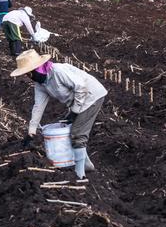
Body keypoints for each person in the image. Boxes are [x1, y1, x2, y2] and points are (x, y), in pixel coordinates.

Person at [11, 49, 107, 179]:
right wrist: (31, 131)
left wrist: (75, 111)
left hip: (91, 96)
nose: (28, 76)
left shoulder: (57, 71)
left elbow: (81, 87)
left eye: (28, 73)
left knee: (77, 133)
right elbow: (38, 106)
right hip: (78, 101)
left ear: (35, 69)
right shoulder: (40, 83)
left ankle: (79, 175)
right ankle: (87, 165)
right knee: (73, 131)